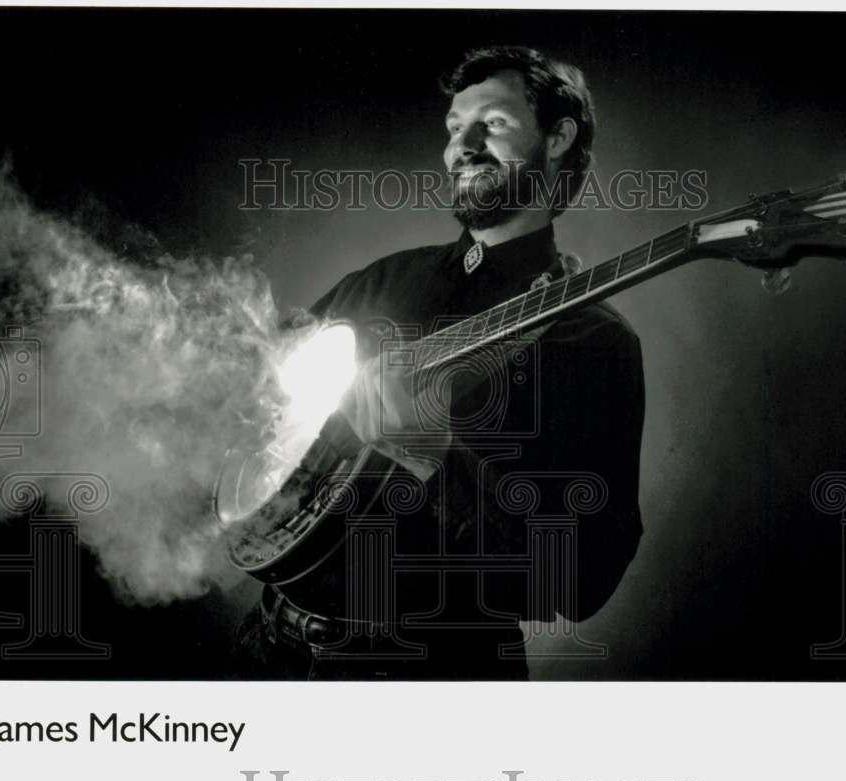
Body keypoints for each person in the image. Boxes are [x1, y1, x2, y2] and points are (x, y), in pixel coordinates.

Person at [235, 45, 645, 680]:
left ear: (558, 137)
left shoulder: (589, 340)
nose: (463, 145)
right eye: (456, 128)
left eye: (495, 123)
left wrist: (437, 455)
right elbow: (259, 416)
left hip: (431, 674)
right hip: (269, 647)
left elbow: (581, 580)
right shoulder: (382, 280)